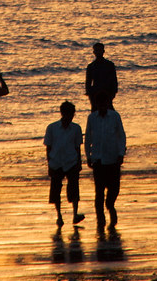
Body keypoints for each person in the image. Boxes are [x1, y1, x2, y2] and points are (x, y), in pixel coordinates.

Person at [85, 92, 126, 229]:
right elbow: (88, 139)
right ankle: (100, 219)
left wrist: (121, 153)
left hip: (113, 158)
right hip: (98, 159)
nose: (102, 106)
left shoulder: (115, 116)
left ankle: (110, 205)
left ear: (107, 104)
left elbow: (121, 135)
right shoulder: (92, 118)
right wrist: (88, 156)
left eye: (104, 104)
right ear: (96, 104)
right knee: (99, 191)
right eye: (99, 104)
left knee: (114, 188)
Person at [44, 101, 86, 227]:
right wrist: (49, 162)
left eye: (71, 114)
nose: (70, 117)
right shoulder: (52, 128)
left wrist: (79, 162)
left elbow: (78, 147)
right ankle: (59, 216)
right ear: (62, 113)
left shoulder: (76, 128)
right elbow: (48, 147)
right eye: (68, 114)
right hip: (56, 161)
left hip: (71, 161)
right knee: (56, 190)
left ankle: (74, 214)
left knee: (74, 189)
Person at [85, 42, 117, 111]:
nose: (98, 52)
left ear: (103, 51)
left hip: (107, 94)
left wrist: (112, 94)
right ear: (94, 52)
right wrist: (90, 95)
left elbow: (114, 81)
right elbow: (88, 83)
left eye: (99, 50)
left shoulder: (109, 65)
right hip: (95, 95)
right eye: (96, 50)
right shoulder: (91, 66)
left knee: (110, 114)